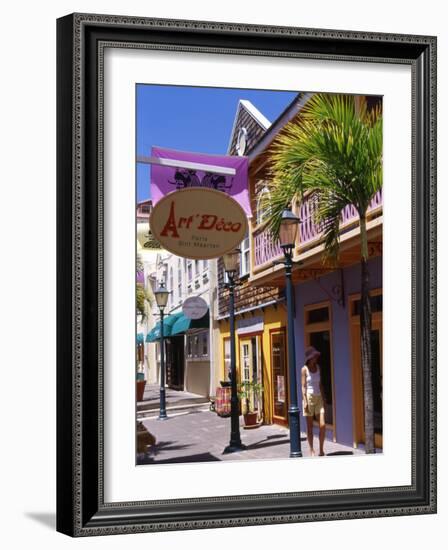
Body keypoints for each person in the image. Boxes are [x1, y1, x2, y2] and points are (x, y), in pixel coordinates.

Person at [301, 346, 326, 456]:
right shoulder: (304, 369)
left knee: (322, 425)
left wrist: (324, 397)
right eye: (314, 357)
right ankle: (311, 449)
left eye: (316, 356)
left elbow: (320, 384)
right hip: (309, 398)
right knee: (310, 427)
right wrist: (305, 400)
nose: (316, 358)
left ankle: (321, 449)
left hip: (318, 397)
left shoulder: (318, 367)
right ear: (309, 358)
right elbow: (303, 387)